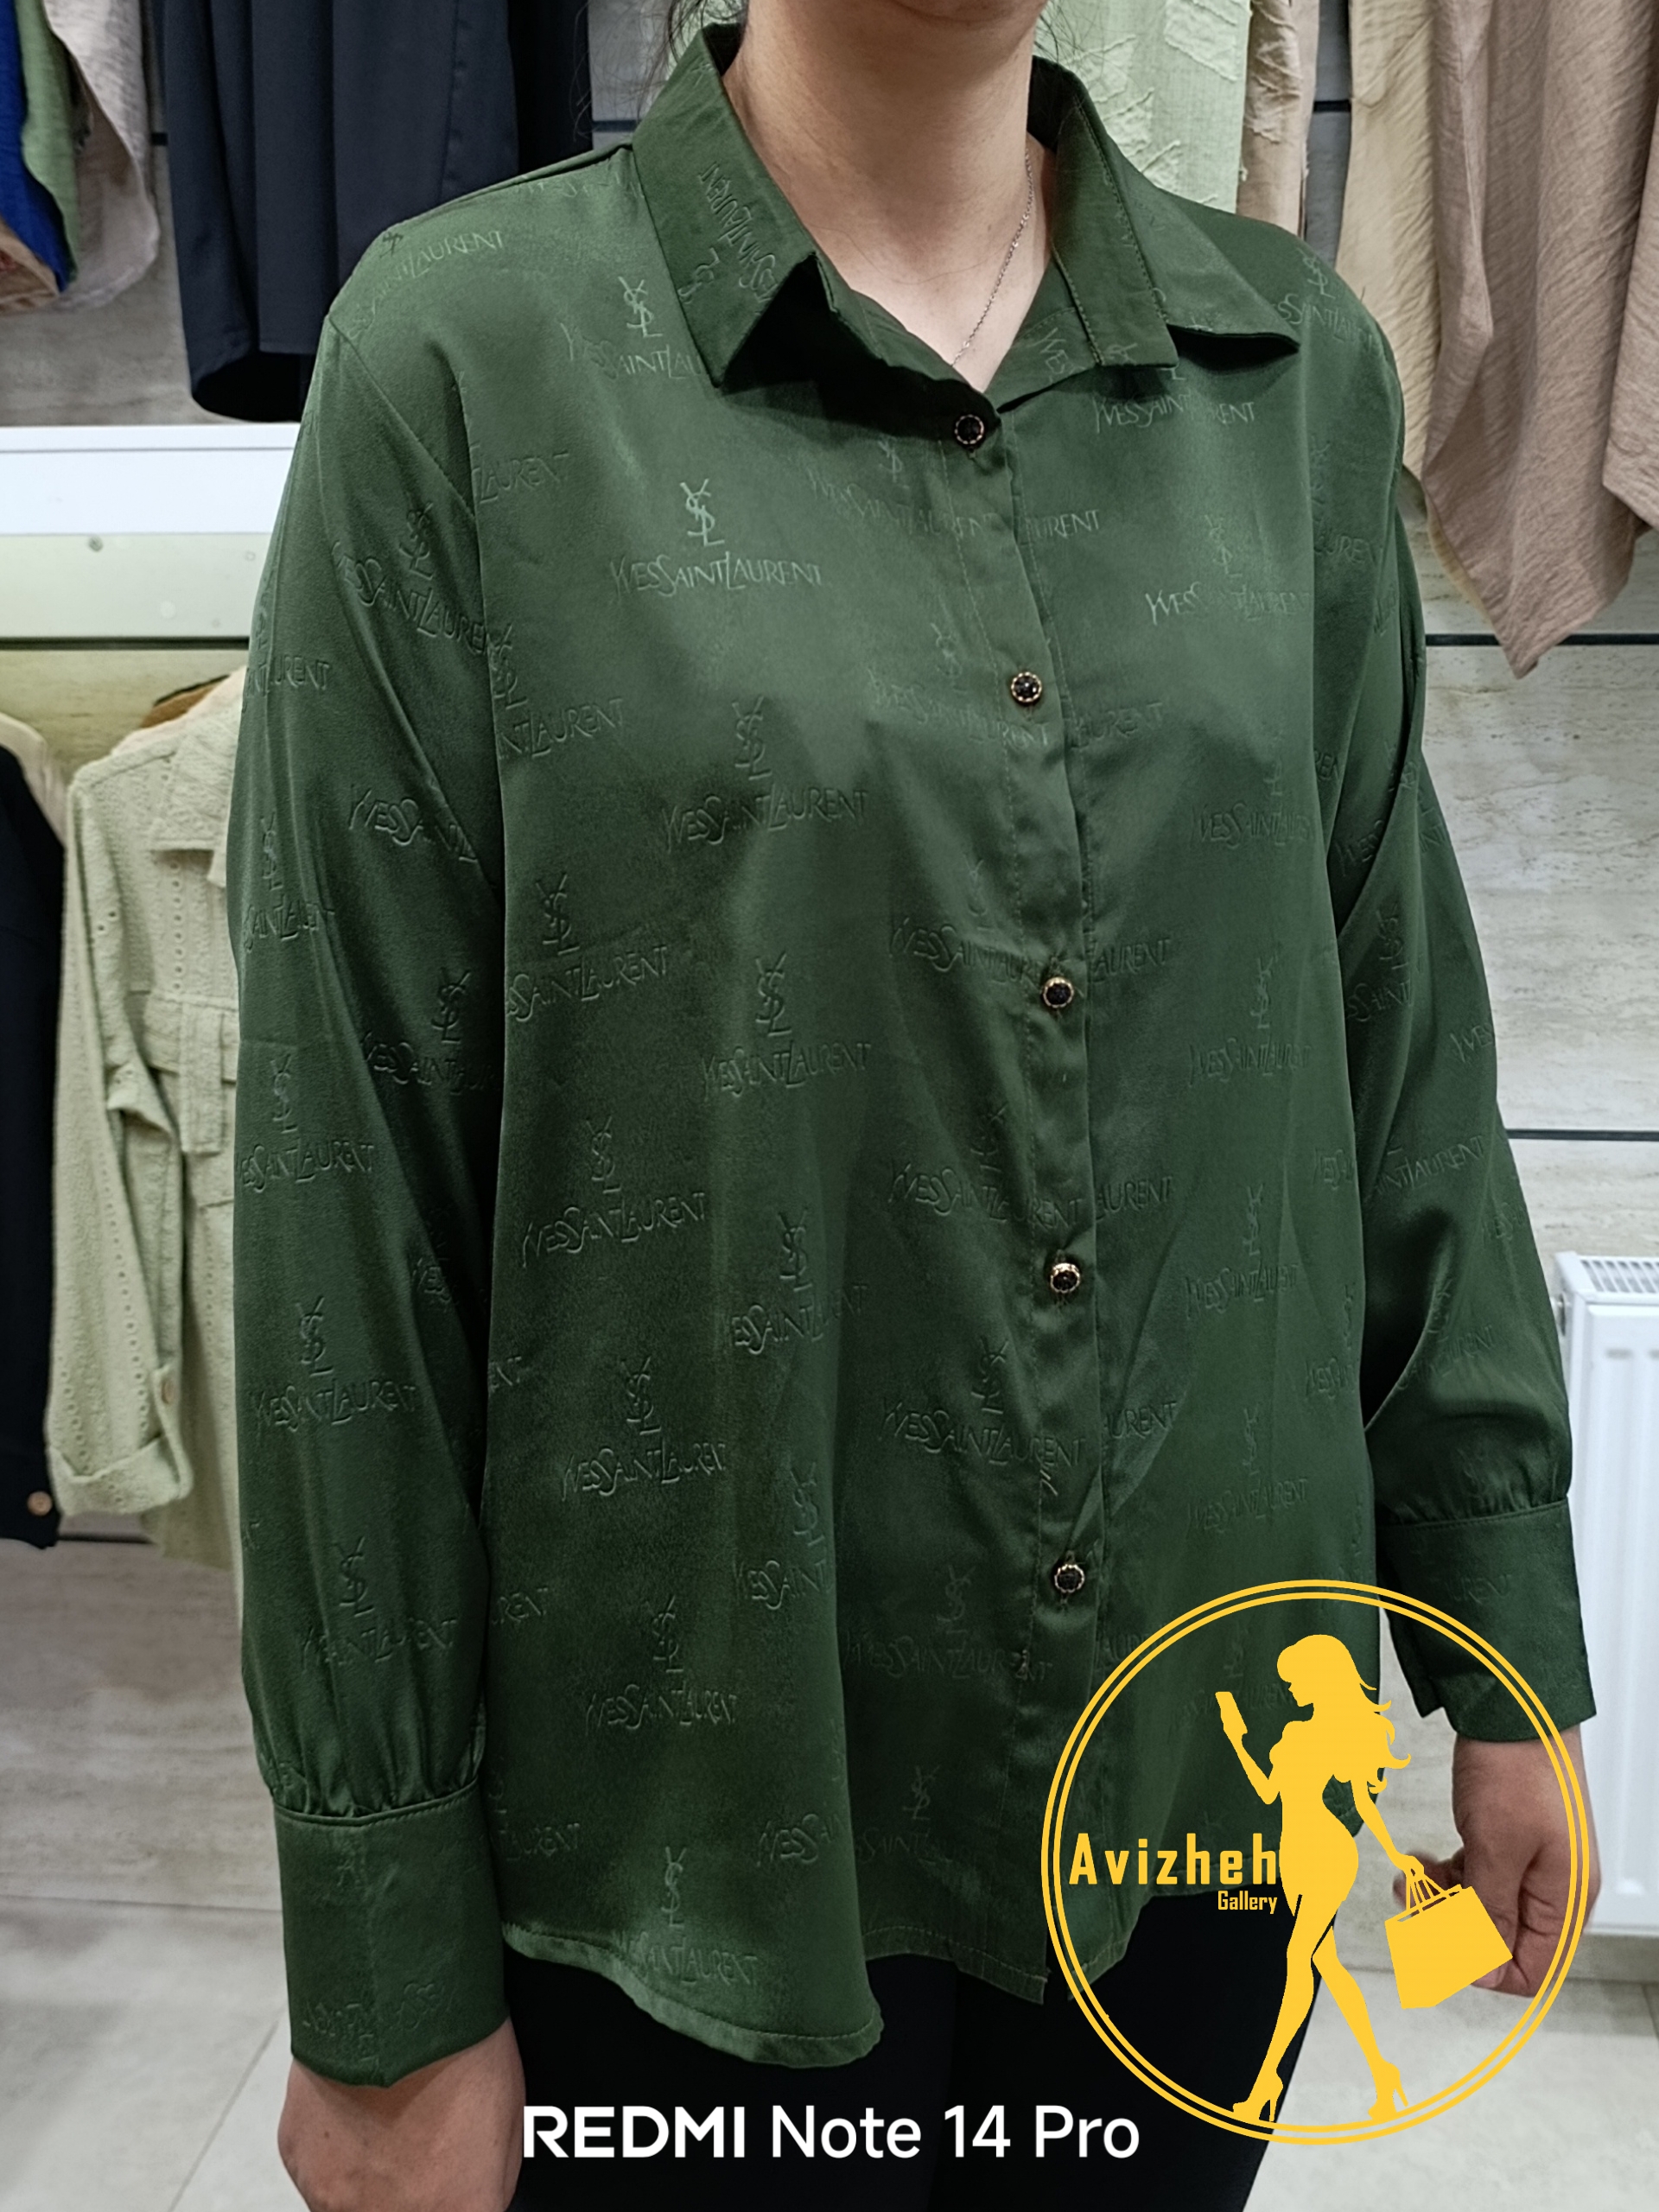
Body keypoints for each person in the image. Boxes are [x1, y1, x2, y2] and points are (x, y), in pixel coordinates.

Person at [226, 5, 1602, 2209]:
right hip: (689, 1838)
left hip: (1205, 1791)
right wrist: (380, 1939)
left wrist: (1501, 1642)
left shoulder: (1292, 376)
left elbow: (1391, 1032)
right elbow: (347, 1179)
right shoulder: (470, 364)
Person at [1220, 1637, 1421, 2126]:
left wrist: (1395, 1853)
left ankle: (1265, 2080)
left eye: (1296, 1680)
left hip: (1329, 1853)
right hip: (1293, 1855)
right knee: (1325, 1962)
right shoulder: (1293, 1732)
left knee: (1297, 1959)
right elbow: (1269, 1794)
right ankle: (1382, 2071)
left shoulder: (1339, 1731)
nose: (1291, 1689)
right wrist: (1237, 1740)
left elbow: (1362, 1802)